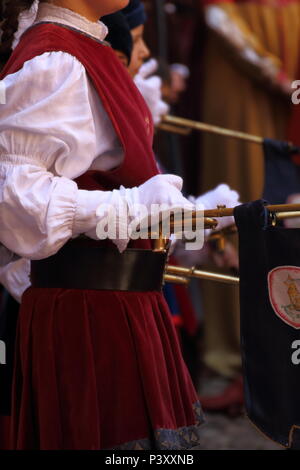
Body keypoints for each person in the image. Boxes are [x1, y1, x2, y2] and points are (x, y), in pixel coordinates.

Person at [0, 0, 204, 450]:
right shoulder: (54, 59)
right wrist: (129, 206)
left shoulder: (82, 47)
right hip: (87, 315)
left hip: (121, 304)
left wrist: (193, 220)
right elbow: (15, 202)